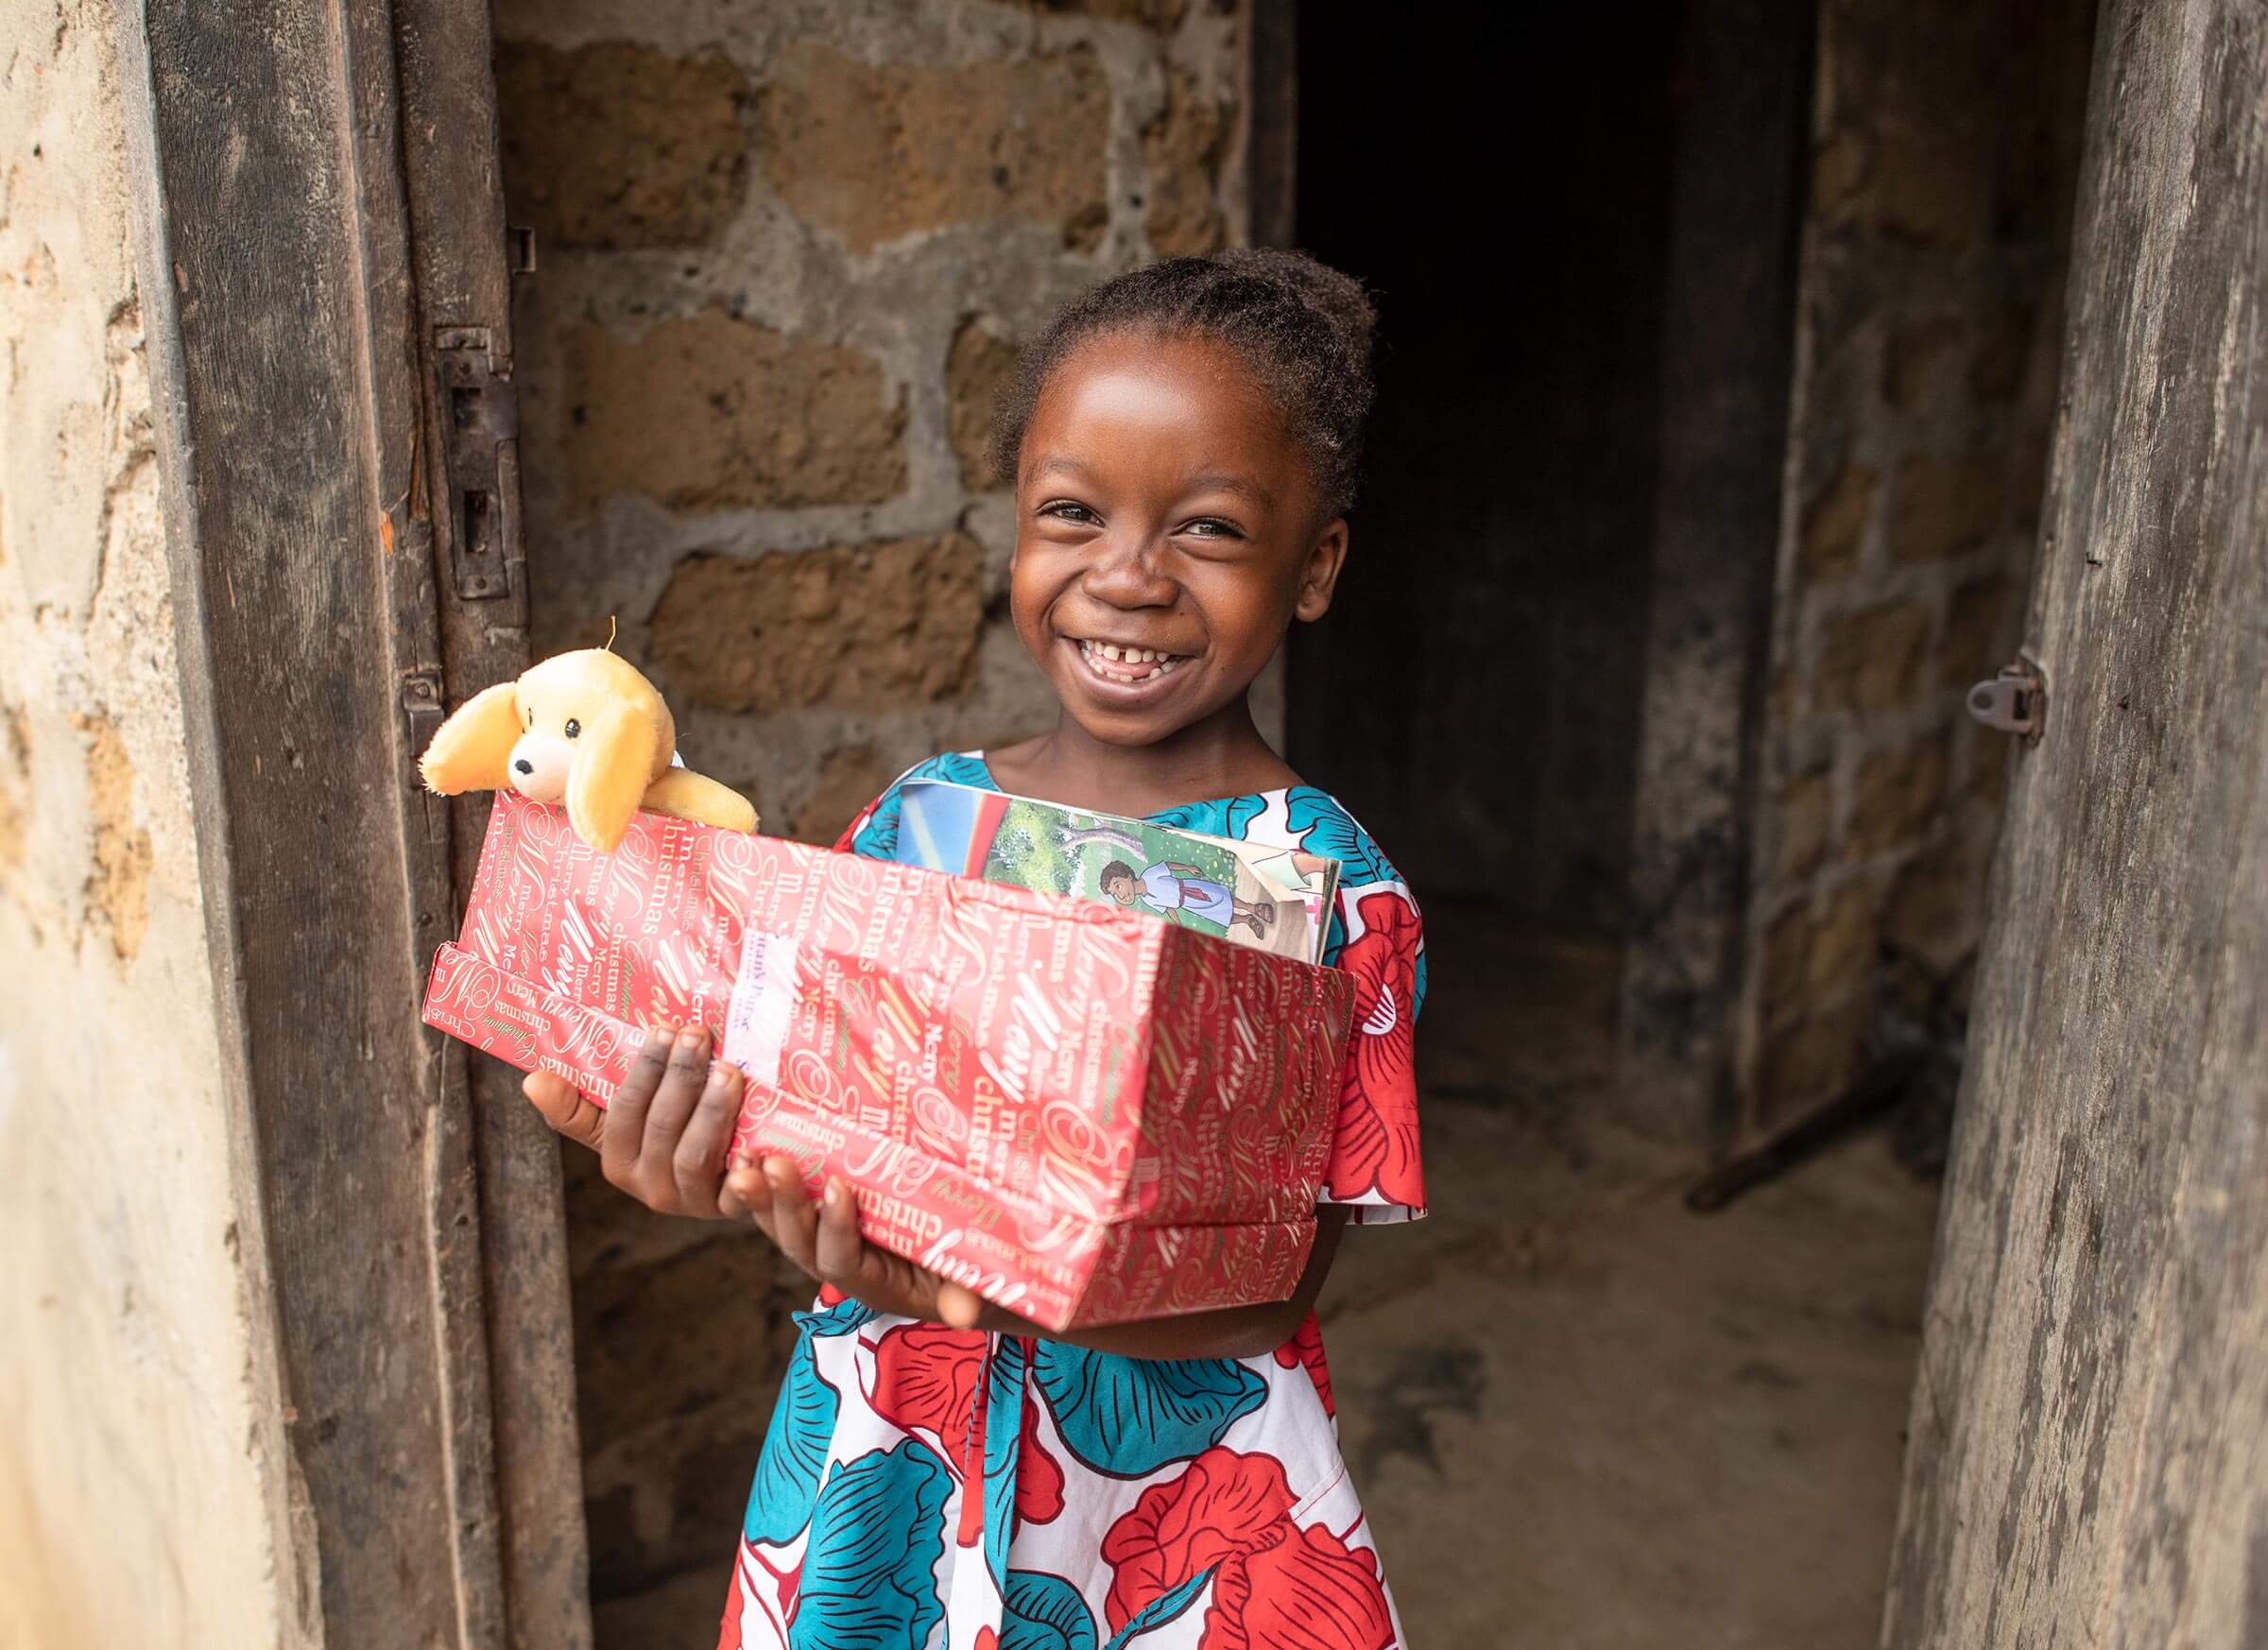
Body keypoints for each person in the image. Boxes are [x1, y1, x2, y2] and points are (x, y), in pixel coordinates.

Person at [520, 249, 1427, 1650]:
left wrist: (973, 1287)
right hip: (897, 1452)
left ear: (1315, 565)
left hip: (1170, 1510)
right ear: (1015, 525)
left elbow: (1275, 1292)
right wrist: (704, 1157)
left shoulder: (1328, 893)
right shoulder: (921, 821)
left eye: (1209, 530)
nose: (1124, 577)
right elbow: (816, 1117)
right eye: (1072, 511)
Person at [1099, 855, 1278, 938]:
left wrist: (1187, 868)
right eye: (1115, 893)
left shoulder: (1149, 875)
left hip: (1190, 888)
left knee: (1222, 897)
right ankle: (1247, 920)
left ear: (1128, 876)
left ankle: (1253, 908)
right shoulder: (1147, 899)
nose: (1120, 893)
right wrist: (1179, 925)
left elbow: (1167, 865)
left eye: (1118, 885)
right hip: (1187, 904)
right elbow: (1169, 909)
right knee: (1219, 914)